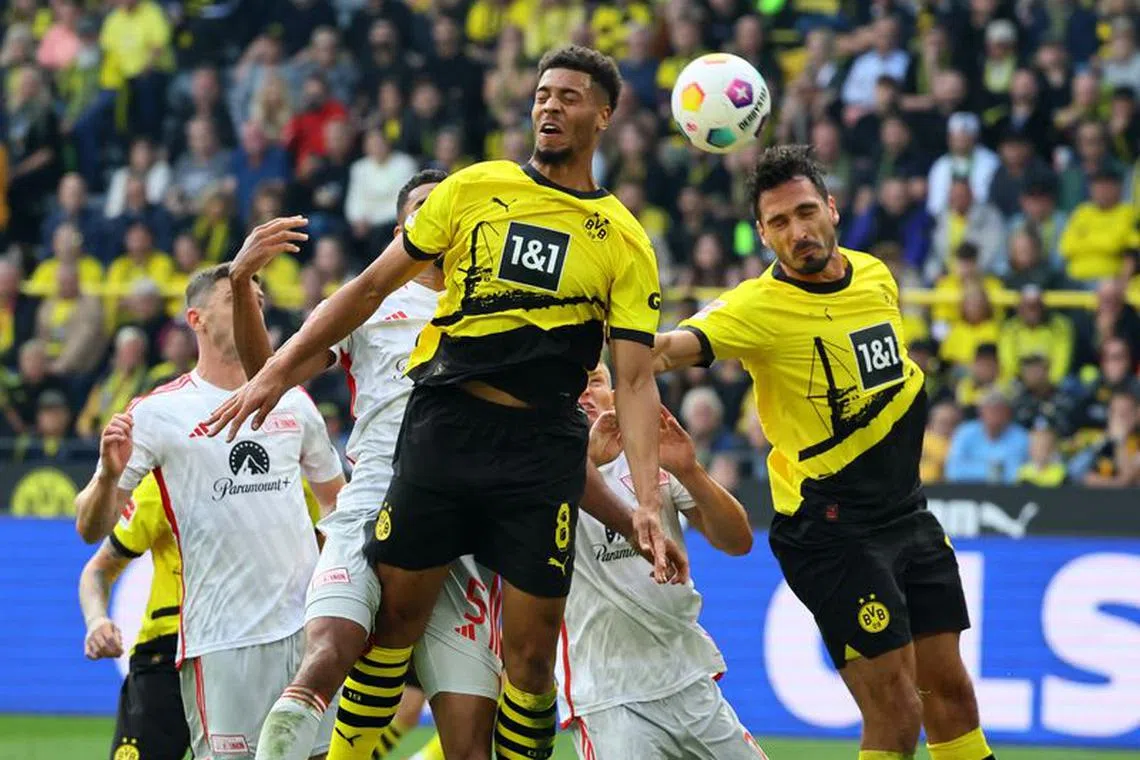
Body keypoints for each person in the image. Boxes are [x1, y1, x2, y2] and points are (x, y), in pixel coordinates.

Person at [205, 44, 673, 760]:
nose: (550, 105)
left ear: (604, 116)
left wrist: (644, 499)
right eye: (544, 93)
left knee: (531, 660)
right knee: (393, 623)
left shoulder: (625, 241)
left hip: (542, 447)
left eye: (570, 97)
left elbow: (635, 381)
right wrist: (273, 374)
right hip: (445, 429)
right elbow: (364, 289)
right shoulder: (474, 188)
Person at [653, 145, 998, 760]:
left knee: (951, 693)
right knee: (895, 708)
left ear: (832, 209)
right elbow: (669, 348)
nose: (798, 231)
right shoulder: (754, 306)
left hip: (906, 514)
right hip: (830, 527)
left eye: (806, 212)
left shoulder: (875, 276)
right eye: (779, 223)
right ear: (762, 234)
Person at [73, 261, 348, 760]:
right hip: (222, 641)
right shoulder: (158, 413)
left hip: (305, 636)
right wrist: (110, 476)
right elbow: (91, 530)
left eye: (259, 301)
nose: (253, 309)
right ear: (195, 319)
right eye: (237, 299)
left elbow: (339, 509)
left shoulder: (295, 403)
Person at [562, 362, 767, 759]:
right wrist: (584, 461)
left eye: (595, 382)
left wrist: (690, 472)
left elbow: (737, 541)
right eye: (574, 385)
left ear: (616, 394)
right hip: (607, 694)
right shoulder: (541, 469)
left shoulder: (647, 456)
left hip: (686, 677)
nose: (585, 393)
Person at [78, 473, 190, 760]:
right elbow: (98, 568)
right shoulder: (166, 483)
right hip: (168, 654)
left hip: (250, 647)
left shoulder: (289, 475)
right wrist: (96, 620)